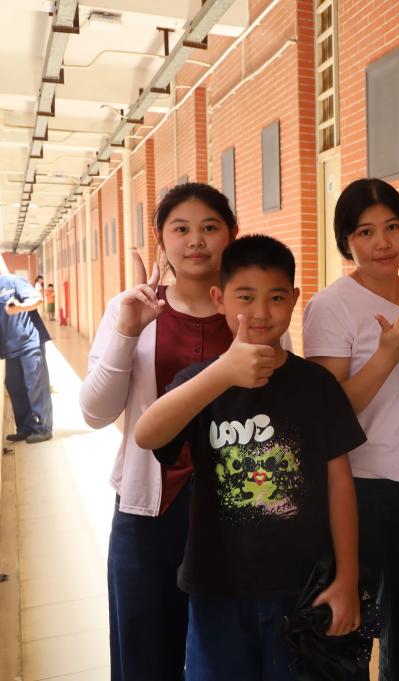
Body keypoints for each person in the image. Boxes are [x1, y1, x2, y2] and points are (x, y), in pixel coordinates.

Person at [135, 234, 365, 680]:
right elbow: (148, 434)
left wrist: (347, 578)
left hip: (301, 588)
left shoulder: (316, 386)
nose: (261, 312)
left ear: (294, 299)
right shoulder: (201, 382)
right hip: (218, 589)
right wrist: (222, 373)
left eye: (276, 297)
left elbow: (340, 482)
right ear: (219, 298)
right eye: (245, 297)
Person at [79, 183, 243, 680]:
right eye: (181, 229)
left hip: (234, 512)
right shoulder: (130, 309)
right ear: (161, 238)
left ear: (232, 234)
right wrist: (128, 330)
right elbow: (95, 412)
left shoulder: (249, 311)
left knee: (226, 656)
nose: (196, 240)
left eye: (210, 227)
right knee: (145, 656)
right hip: (148, 512)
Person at [303, 178, 399, 681]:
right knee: (346, 639)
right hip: (360, 490)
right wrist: (387, 357)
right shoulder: (332, 305)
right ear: (346, 241)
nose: (382, 243)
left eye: (393, 227)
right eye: (365, 232)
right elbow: (328, 415)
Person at [1, 273, 52, 443]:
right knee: (13, 385)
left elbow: (38, 300)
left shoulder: (12, 281)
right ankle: (25, 427)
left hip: (29, 341)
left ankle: (43, 428)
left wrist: (19, 307)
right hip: (10, 348)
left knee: (36, 385)